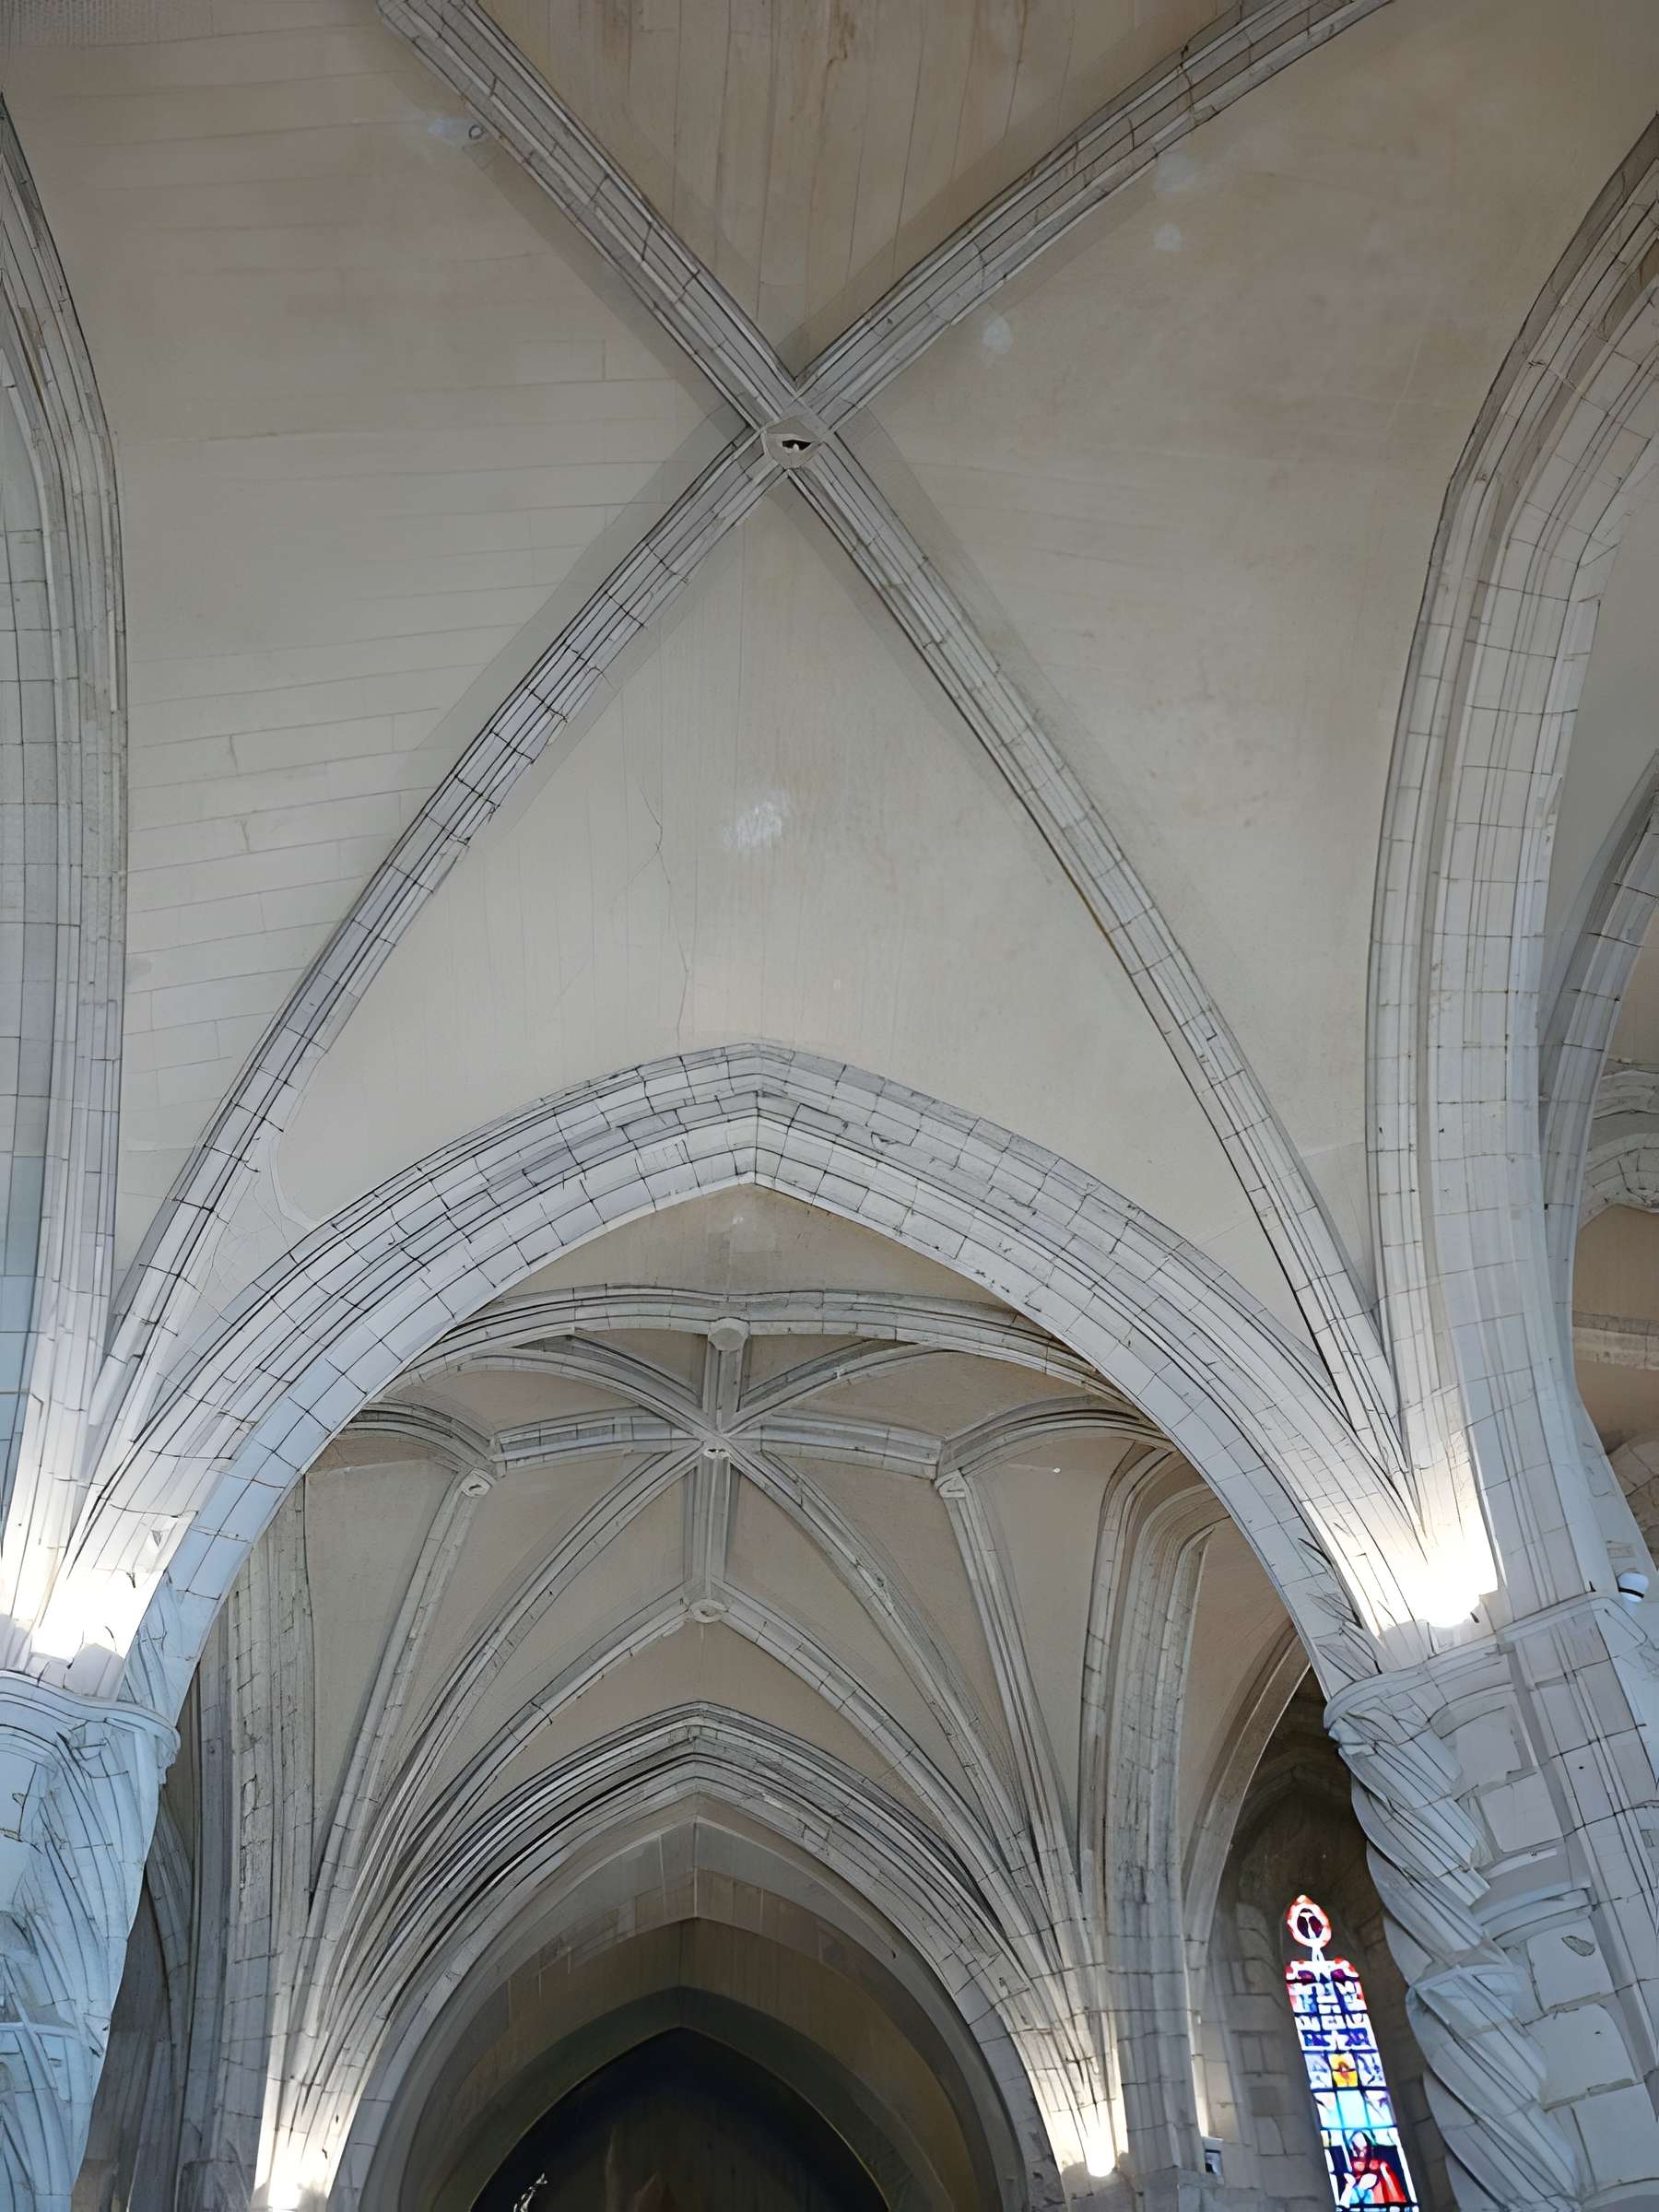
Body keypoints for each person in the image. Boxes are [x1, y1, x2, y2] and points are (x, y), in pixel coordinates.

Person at [1337, 2132, 1410, 2206]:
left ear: (1369, 2148)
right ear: (1351, 2148)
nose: (1360, 2153)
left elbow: (1393, 2191)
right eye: (1356, 2149)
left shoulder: (1381, 2166)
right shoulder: (1347, 2168)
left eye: (1364, 2148)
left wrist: (1376, 2178)